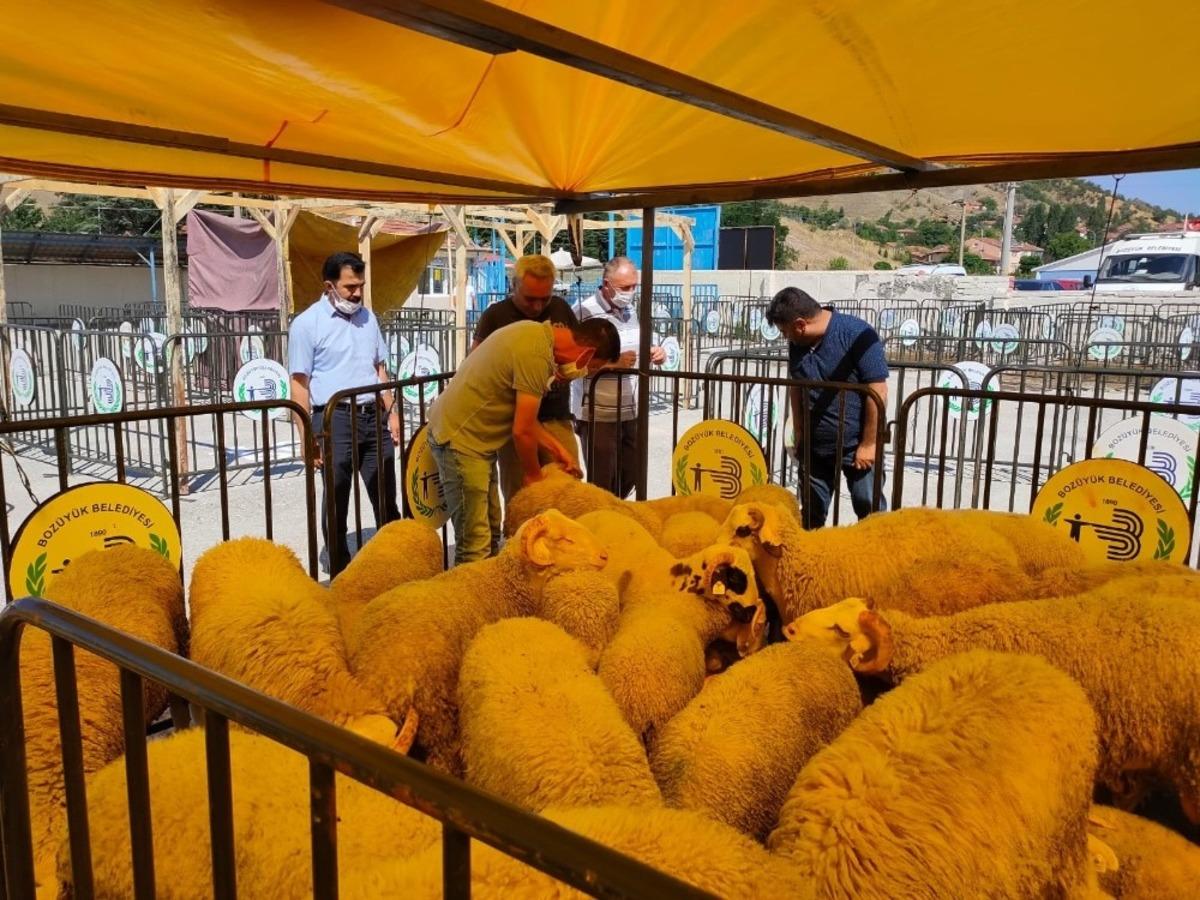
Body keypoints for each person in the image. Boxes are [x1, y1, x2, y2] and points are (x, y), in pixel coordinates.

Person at [427, 317, 620, 565]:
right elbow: (522, 431)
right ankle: (469, 588)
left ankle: (488, 584)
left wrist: (559, 450)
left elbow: (525, 420)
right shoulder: (536, 356)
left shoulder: (535, 336)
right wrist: (533, 477)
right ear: (587, 354)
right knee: (475, 543)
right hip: (460, 441)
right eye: (592, 368)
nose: (584, 373)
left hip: (475, 442)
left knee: (490, 529)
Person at [289, 251, 401, 575]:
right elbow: (298, 384)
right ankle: (340, 570)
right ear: (329, 286)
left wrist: (391, 410)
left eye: (360, 285)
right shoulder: (307, 324)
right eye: (350, 286)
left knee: (385, 494)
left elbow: (379, 368)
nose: (357, 293)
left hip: (372, 416)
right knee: (337, 497)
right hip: (333, 419)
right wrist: (306, 437)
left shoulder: (369, 318)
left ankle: (394, 561)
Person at [765, 287, 889, 529]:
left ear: (800, 325)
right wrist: (799, 431)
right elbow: (796, 385)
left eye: (785, 331)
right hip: (815, 447)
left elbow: (878, 391)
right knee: (811, 514)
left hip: (856, 446)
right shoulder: (798, 343)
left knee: (870, 513)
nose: (785, 338)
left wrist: (869, 444)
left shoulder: (856, 333)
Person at [471, 254, 580, 501]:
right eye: (530, 299)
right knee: (520, 496)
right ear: (514, 286)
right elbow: (475, 364)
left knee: (569, 490)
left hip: (556, 416)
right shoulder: (495, 315)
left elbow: (576, 351)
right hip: (512, 424)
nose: (537, 307)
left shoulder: (561, 308)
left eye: (545, 299)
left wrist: (569, 370)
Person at [576, 256, 665, 497]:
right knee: (602, 480)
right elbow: (572, 365)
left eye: (635, 286)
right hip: (598, 413)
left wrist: (657, 352)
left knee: (632, 473)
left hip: (631, 409)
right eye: (625, 287)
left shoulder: (632, 310)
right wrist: (612, 364)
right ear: (607, 285)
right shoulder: (583, 313)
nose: (631, 292)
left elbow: (642, 343)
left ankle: (615, 509)